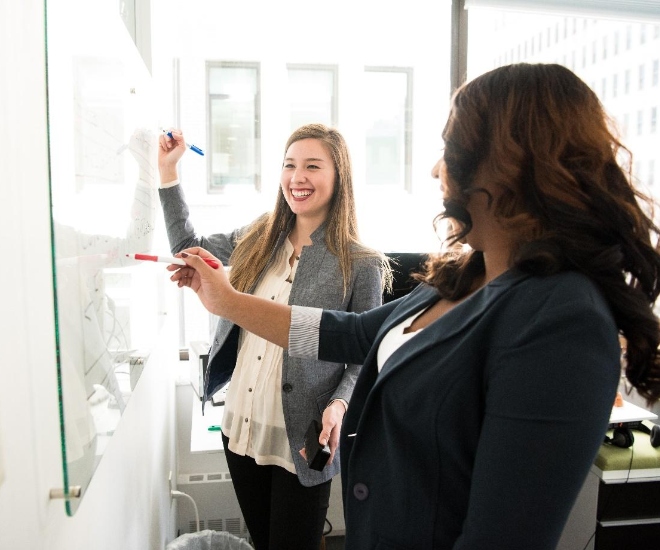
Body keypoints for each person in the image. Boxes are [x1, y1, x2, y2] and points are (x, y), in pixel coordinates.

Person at [166, 63, 660, 549]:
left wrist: (333, 399)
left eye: (451, 149)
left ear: (509, 162)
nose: (435, 168)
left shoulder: (562, 320)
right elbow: (353, 333)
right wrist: (227, 301)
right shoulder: (461, 277)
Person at [158, 123, 390, 549]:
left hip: (302, 437)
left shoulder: (361, 263)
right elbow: (188, 246)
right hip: (242, 426)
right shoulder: (259, 236)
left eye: (312, 166)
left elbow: (366, 355)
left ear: (339, 177)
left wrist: (340, 404)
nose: (297, 177)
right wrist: (168, 172)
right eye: (289, 165)